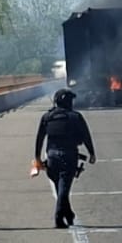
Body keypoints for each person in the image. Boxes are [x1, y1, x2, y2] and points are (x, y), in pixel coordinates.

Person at [35, 88, 97, 229]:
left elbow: (39, 138)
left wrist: (37, 157)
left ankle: (68, 213)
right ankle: (59, 216)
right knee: (64, 188)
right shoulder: (76, 117)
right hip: (69, 156)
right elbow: (86, 136)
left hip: (51, 156)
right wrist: (92, 153)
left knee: (60, 187)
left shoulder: (47, 117)